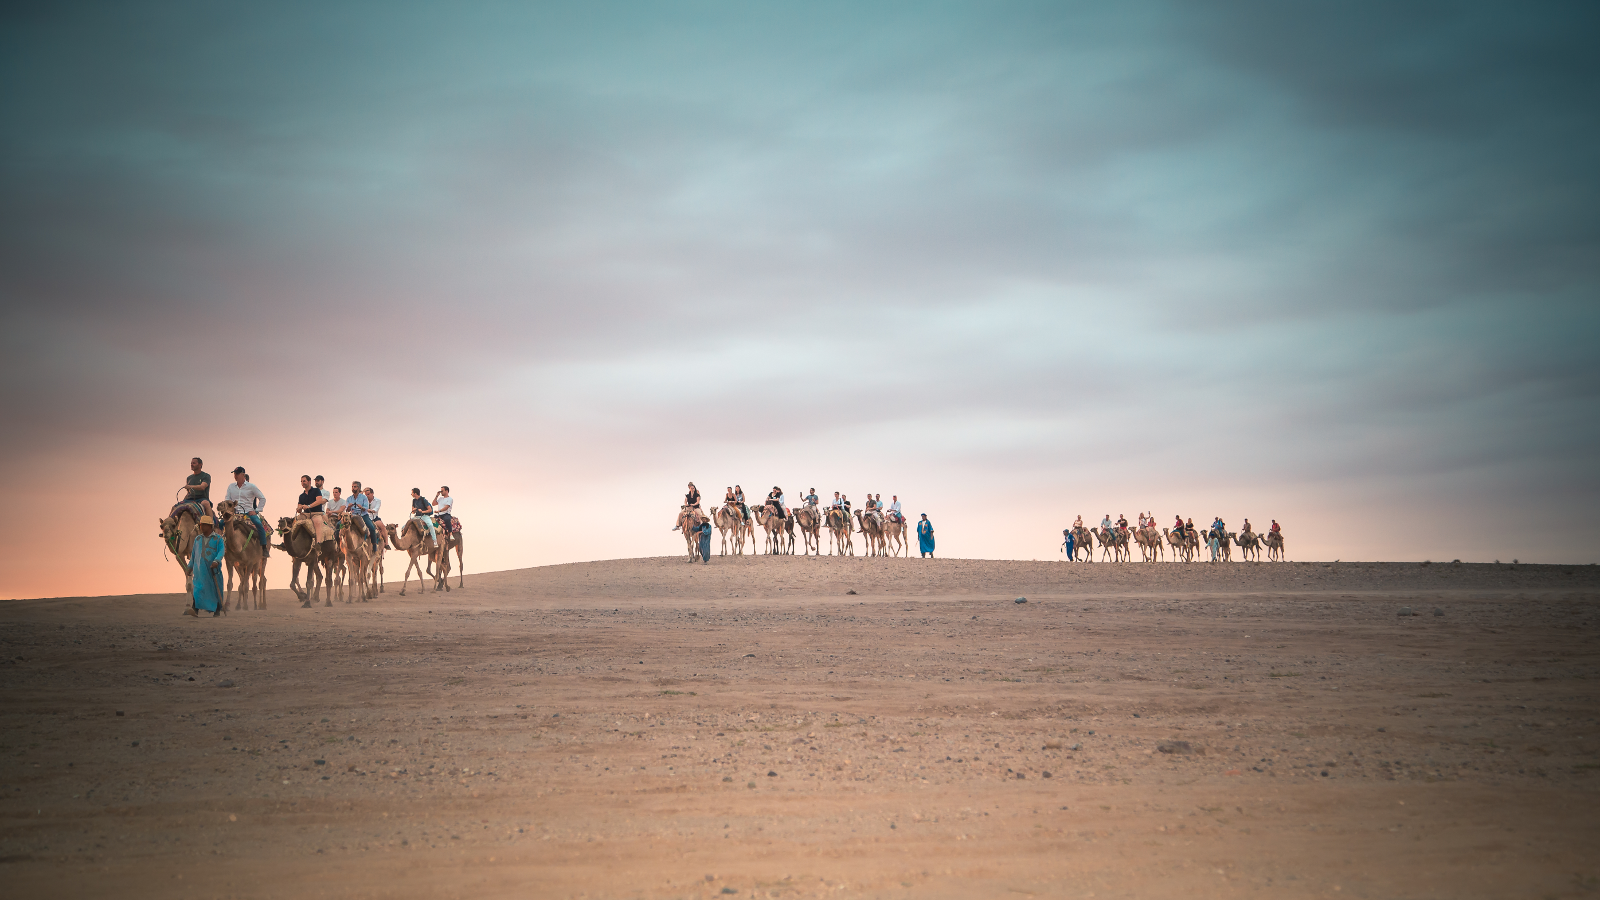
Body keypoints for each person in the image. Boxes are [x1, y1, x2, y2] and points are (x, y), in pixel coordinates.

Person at [223, 467, 269, 558]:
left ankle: (264, 548)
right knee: (221, 523)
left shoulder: (251, 486)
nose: (235, 476)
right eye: (234, 474)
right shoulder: (231, 486)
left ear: (243, 475)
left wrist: (256, 511)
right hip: (235, 512)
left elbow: (262, 498)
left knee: (259, 525)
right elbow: (227, 500)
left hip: (248, 512)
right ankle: (219, 546)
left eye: (237, 474)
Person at [186, 515, 225, 617]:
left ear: (209, 526)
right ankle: (195, 609)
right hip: (199, 570)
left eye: (203, 525)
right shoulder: (198, 539)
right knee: (197, 589)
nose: (201, 527)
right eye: (201, 525)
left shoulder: (218, 539)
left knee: (214, 589)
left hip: (212, 569)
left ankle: (217, 609)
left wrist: (217, 560)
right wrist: (190, 566)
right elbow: (193, 554)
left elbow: (221, 551)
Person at [295, 475, 332, 543]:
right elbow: (299, 508)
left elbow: (319, 501)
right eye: (301, 481)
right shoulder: (301, 496)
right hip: (306, 514)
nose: (302, 483)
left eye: (304, 481)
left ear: (309, 482)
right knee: (295, 521)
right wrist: (299, 508)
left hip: (316, 513)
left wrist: (309, 506)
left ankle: (318, 543)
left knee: (317, 522)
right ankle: (292, 541)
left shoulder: (316, 490)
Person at [350, 480, 380, 551]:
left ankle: (374, 545)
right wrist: (349, 507)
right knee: (340, 526)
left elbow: (366, 508)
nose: (353, 488)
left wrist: (361, 507)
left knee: (372, 528)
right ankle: (338, 545)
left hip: (364, 515)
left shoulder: (364, 498)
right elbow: (347, 509)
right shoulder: (350, 498)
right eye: (352, 487)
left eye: (355, 487)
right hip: (353, 516)